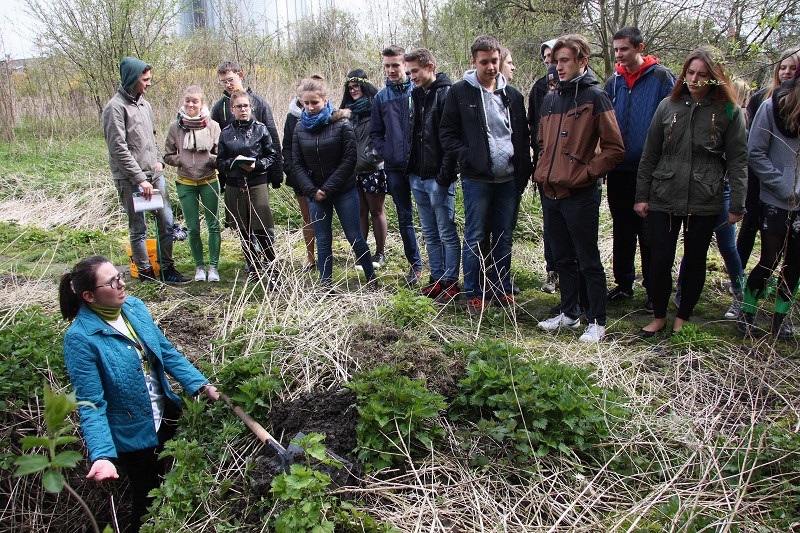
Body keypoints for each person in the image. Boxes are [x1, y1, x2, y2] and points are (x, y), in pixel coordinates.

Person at [59, 256, 220, 532]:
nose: (122, 283)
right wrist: (102, 456)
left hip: (166, 414)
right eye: (112, 281)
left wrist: (200, 385)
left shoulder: (134, 308)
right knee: (147, 499)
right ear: (89, 296)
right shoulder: (80, 339)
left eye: (119, 275)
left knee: (183, 482)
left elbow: (166, 352)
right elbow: (92, 404)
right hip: (134, 435)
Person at [634, 46, 747, 336]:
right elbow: (650, 154)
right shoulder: (667, 106)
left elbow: (738, 159)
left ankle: (683, 317)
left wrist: (737, 204)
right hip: (664, 192)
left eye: (703, 74)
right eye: (691, 72)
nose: (695, 79)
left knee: (695, 260)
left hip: (704, 196)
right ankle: (659, 315)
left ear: (715, 78)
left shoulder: (729, 112)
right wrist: (641, 196)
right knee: (659, 259)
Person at [534, 34, 625, 343]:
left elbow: (614, 148)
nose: (558, 67)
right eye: (555, 61)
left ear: (582, 61)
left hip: (580, 194)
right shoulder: (550, 99)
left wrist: (586, 173)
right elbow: (544, 144)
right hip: (550, 192)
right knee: (561, 258)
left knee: (587, 258)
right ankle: (570, 314)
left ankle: (597, 321)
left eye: (565, 61)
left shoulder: (595, 98)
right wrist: (543, 172)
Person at [440, 35, 532, 314]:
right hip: (476, 179)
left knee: (504, 235)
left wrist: (523, 170)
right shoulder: (459, 93)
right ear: (474, 62)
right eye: (484, 62)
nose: (491, 67)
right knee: (476, 235)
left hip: (508, 178)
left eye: (494, 61)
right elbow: (447, 134)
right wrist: (469, 157)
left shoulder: (512, 95)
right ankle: (475, 293)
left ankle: (501, 289)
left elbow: (522, 135)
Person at [604, 27, 676, 311]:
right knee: (622, 229)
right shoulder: (613, 82)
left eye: (624, 49)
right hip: (619, 169)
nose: (619, 55)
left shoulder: (661, 77)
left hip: (651, 170)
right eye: (616, 50)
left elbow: (675, 116)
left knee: (649, 231)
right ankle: (623, 284)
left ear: (639, 47)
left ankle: (652, 287)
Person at [102, 57, 191, 284]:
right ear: (133, 78)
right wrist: (140, 179)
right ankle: (145, 272)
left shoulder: (145, 104)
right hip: (131, 179)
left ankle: (167, 268)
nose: (149, 83)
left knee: (167, 221)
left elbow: (151, 138)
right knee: (138, 226)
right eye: (146, 79)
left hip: (154, 174)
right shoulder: (115, 108)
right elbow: (118, 148)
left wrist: (159, 161)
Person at [292, 78, 378, 288]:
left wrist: (328, 188)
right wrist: (312, 191)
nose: (311, 108)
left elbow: (349, 160)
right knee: (322, 240)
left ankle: (372, 279)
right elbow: (296, 162)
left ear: (325, 100)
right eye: (306, 104)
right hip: (315, 194)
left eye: (315, 103)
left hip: (343, 191)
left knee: (355, 237)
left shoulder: (342, 125)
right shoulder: (299, 128)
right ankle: (325, 284)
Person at [738, 67, 800, 339]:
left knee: (795, 265)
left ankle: (779, 322)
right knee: (769, 260)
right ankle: (747, 312)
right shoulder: (770, 107)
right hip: (776, 199)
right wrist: (785, 187)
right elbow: (755, 152)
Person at [404, 48, 460, 302]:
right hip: (417, 175)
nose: (411, 76)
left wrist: (444, 176)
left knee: (446, 230)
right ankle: (436, 279)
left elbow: (450, 139)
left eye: (415, 70)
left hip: (439, 177)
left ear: (430, 67)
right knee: (429, 232)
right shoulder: (414, 95)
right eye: (409, 72)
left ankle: (450, 281)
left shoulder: (447, 94)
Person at [737, 47, 799, 270]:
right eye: (782, 67)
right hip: (758, 176)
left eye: (793, 68)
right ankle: (738, 278)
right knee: (749, 225)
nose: (786, 72)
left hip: (790, 182)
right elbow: (753, 146)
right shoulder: (762, 100)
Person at [211, 61, 283, 239]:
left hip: (258, 173)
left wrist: (276, 175)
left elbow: (272, 137)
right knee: (242, 223)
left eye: (230, 79)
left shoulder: (258, 102)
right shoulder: (219, 107)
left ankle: (268, 259)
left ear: (240, 75)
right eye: (223, 81)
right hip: (234, 177)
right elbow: (217, 145)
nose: (228, 84)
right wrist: (223, 177)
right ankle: (250, 260)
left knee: (262, 221)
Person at [370, 45, 423, 286]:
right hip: (394, 167)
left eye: (395, 65)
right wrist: (388, 152)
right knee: (405, 217)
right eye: (387, 66)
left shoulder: (419, 91)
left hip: (421, 165)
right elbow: (376, 133)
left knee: (430, 217)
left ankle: (442, 270)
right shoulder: (381, 97)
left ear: (405, 65)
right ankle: (415, 265)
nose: (391, 70)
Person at [217, 91, 280, 287]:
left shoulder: (261, 129)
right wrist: (232, 164)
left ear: (250, 107)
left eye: (246, 106)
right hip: (235, 184)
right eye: (239, 106)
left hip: (257, 182)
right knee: (243, 231)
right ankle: (253, 269)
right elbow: (219, 161)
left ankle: (273, 270)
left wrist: (257, 165)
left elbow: (272, 156)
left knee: (261, 228)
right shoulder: (226, 133)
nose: (243, 110)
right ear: (232, 110)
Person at [163, 85, 222, 283]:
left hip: (209, 180)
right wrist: (180, 161)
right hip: (185, 182)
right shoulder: (175, 127)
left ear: (202, 104)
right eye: (187, 100)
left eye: (195, 101)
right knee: (193, 227)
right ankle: (199, 267)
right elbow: (167, 155)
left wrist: (212, 160)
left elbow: (220, 153)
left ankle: (213, 267)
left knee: (213, 225)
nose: (191, 104)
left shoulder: (213, 126)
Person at [339, 69, 389, 270]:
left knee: (376, 211)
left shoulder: (376, 106)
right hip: (353, 169)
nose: (353, 91)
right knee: (360, 212)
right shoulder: (346, 112)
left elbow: (385, 134)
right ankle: (363, 253)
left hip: (372, 167)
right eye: (349, 88)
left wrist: (376, 155)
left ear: (364, 85)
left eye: (356, 87)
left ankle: (380, 253)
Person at [283, 79, 317, 272]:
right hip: (299, 176)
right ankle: (310, 257)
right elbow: (286, 147)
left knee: (323, 217)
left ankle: (327, 254)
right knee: (307, 217)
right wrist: (292, 170)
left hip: (321, 176)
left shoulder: (325, 114)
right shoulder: (292, 117)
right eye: (301, 97)